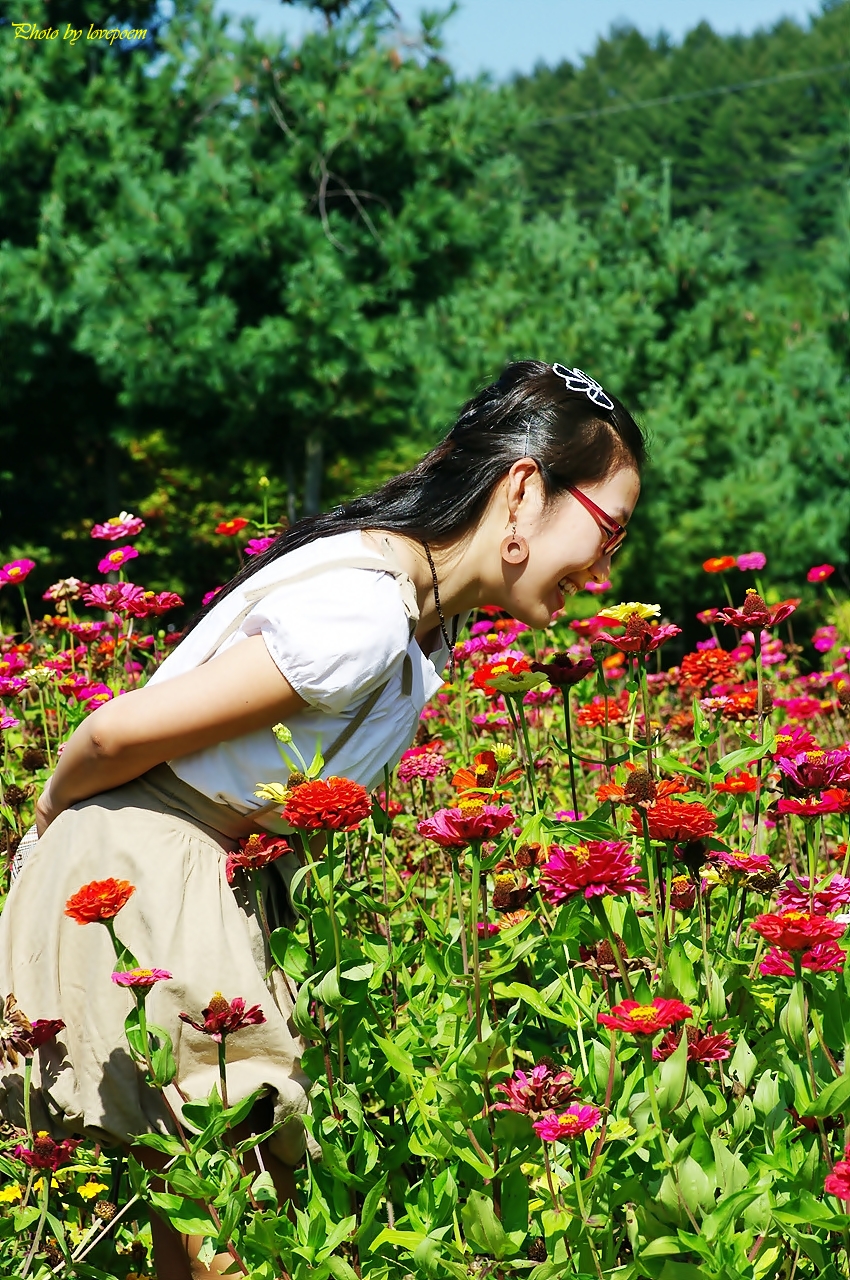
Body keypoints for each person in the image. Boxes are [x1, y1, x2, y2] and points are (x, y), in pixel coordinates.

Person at [0, 359, 644, 1278]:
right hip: (150, 854)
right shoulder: (365, 617)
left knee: (206, 1199)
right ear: (524, 489)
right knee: (241, 1190)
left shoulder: (417, 621)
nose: (608, 568)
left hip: (192, 861)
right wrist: (51, 822)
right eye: (608, 531)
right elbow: (114, 731)